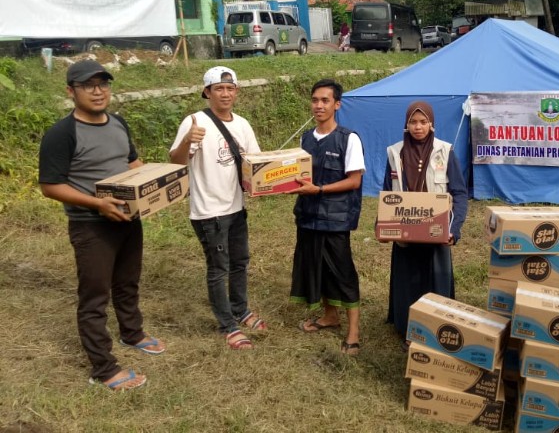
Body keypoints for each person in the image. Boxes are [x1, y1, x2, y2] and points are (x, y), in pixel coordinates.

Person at [39, 60, 165, 391]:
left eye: (103, 84)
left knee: (128, 281)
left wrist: (151, 191)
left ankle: (132, 333)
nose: (98, 91)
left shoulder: (118, 123)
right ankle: (103, 367)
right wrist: (98, 203)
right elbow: (50, 186)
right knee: (94, 296)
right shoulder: (62, 134)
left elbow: (132, 163)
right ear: (71, 91)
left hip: (127, 219)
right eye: (88, 85)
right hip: (91, 226)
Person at [169, 66, 266, 350]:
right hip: (209, 211)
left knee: (240, 262)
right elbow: (175, 163)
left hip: (236, 207)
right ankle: (228, 325)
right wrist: (188, 140)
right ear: (207, 92)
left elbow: (254, 164)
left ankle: (240, 309)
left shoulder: (243, 125)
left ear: (236, 92)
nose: (225, 93)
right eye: (219, 89)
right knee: (218, 268)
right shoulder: (195, 122)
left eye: (230, 88)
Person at [287, 79, 365, 356]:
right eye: (315, 100)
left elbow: (354, 181)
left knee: (342, 272)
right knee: (316, 268)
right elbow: (298, 176)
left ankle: (353, 331)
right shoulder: (306, 139)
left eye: (325, 101)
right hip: (308, 216)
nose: (319, 105)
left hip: (335, 218)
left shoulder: (349, 139)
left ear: (337, 104)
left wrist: (318, 189)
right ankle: (330, 316)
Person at [382, 101, 467, 350]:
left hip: (436, 230)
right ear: (406, 125)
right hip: (407, 229)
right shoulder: (394, 152)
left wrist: (454, 228)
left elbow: (459, 193)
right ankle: (409, 327)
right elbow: (388, 193)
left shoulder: (445, 151)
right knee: (408, 278)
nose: (418, 127)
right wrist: (383, 225)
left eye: (423, 122)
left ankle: (437, 326)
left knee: (435, 278)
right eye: (413, 122)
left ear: (432, 124)